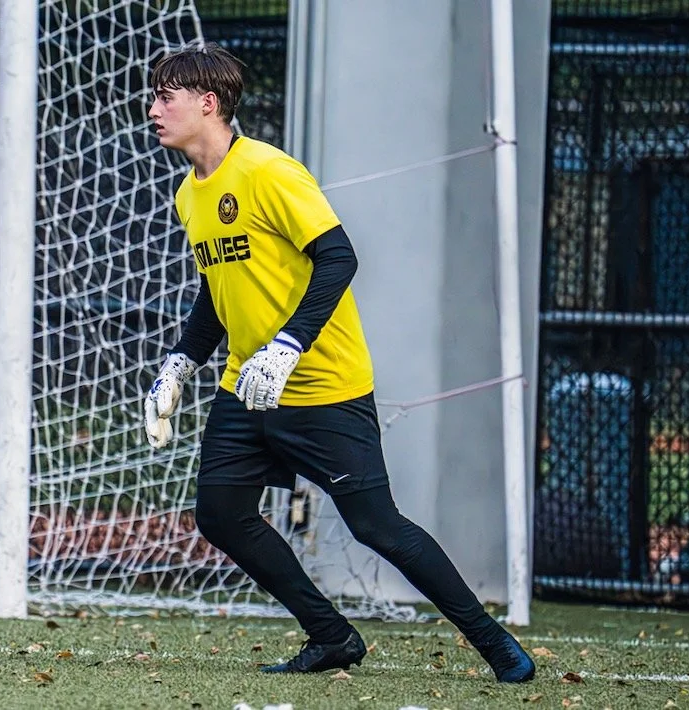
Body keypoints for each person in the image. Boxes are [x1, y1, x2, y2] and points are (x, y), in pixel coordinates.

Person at [142, 42, 536, 683]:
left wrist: (289, 343)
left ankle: (495, 645)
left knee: (377, 527)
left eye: (166, 96)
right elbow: (217, 289)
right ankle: (331, 637)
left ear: (207, 103)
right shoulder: (191, 194)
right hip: (246, 386)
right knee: (220, 513)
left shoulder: (269, 171)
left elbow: (339, 257)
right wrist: (180, 365)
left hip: (323, 387)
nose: (154, 108)